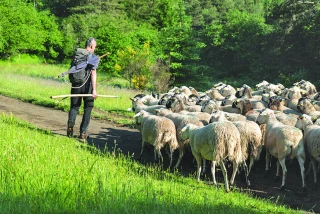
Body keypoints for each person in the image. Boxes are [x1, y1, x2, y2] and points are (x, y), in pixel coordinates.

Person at [67, 37, 98, 141]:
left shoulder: (77, 54)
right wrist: (94, 89)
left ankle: (70, 129)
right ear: (91, 46)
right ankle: (83, 133)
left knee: (74, 107)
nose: (94, 49)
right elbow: (93, 73)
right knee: (88, 108)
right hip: (87, 86)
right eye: (95, 47)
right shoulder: (92, 56)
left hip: (75, 85)